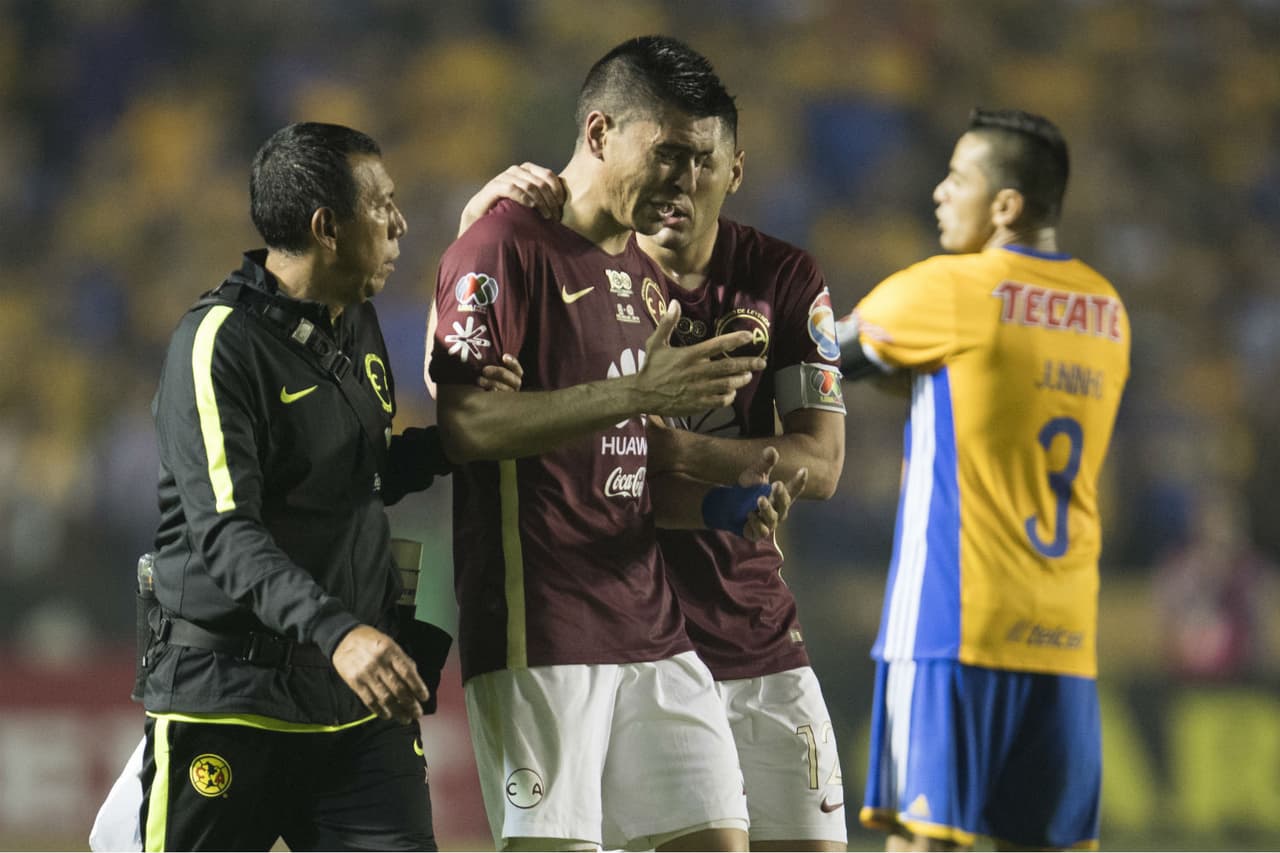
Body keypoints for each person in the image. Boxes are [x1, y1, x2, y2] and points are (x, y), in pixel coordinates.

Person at [428, 35, 806, 853]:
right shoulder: (501, 247)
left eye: (702, 160)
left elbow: (627, 458)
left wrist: (722, 506)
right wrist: (636, 393)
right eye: (668, 153)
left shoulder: (640, 272)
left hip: (652, 626)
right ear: (599, 134)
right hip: (543, 628)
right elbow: (464, 426)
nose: (686, 181)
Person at [103, 121, 515, 853]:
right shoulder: (217, 345)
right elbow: (227, 531)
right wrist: (341, 633)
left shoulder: (354, 320)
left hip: (357, 705)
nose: (400, 223)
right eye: (383, 205)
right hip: (229, 698)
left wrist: (461, 437)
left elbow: (361, 473)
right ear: (328, 227)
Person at [835, 108, 1130, 851]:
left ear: (1005, 205)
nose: (939, 192)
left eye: (957, 178)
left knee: (924, 841)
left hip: (951, 626)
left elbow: (821, 359)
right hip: (1063, 637)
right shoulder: (1108, 311)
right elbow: (994, 394)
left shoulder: (955, 289)